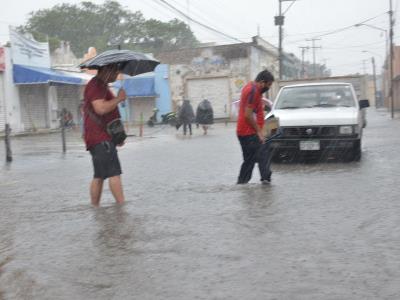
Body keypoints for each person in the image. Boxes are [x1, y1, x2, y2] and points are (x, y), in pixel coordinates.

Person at [83, 64, 127, 206]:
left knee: (99, 175)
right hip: (101, 138)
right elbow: (101, 108)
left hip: (99, 138)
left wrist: (118, 135)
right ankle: (122, 209)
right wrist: (119, 99)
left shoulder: (101, 86)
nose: (116, 76)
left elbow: (107, 114)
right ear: (107, 71)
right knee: (114, 173)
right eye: (115, 72)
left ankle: (95, 208)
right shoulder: (96, 85)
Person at [236, 69, 275, 184]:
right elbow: (248, 115)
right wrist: (259, 131)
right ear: (262, 82)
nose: (268, 88)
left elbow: (253, 110)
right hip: (249, 133)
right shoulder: (253, 91)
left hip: (244, 131)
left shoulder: (251, 88)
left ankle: (242, 184)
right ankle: (266, 181)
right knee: (263, 155)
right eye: (268, 85)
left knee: (249, 160)